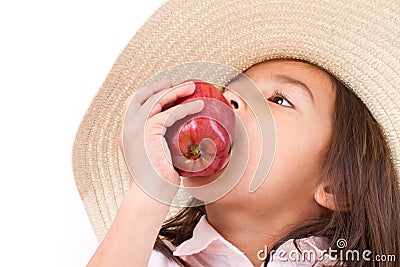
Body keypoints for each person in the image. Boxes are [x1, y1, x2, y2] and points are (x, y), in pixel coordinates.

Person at [72, 1, 400, 266]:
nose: (231, 101)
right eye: (231, 92)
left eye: (279, 100)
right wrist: (147, 192)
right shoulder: (149, 259)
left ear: (337, 185)